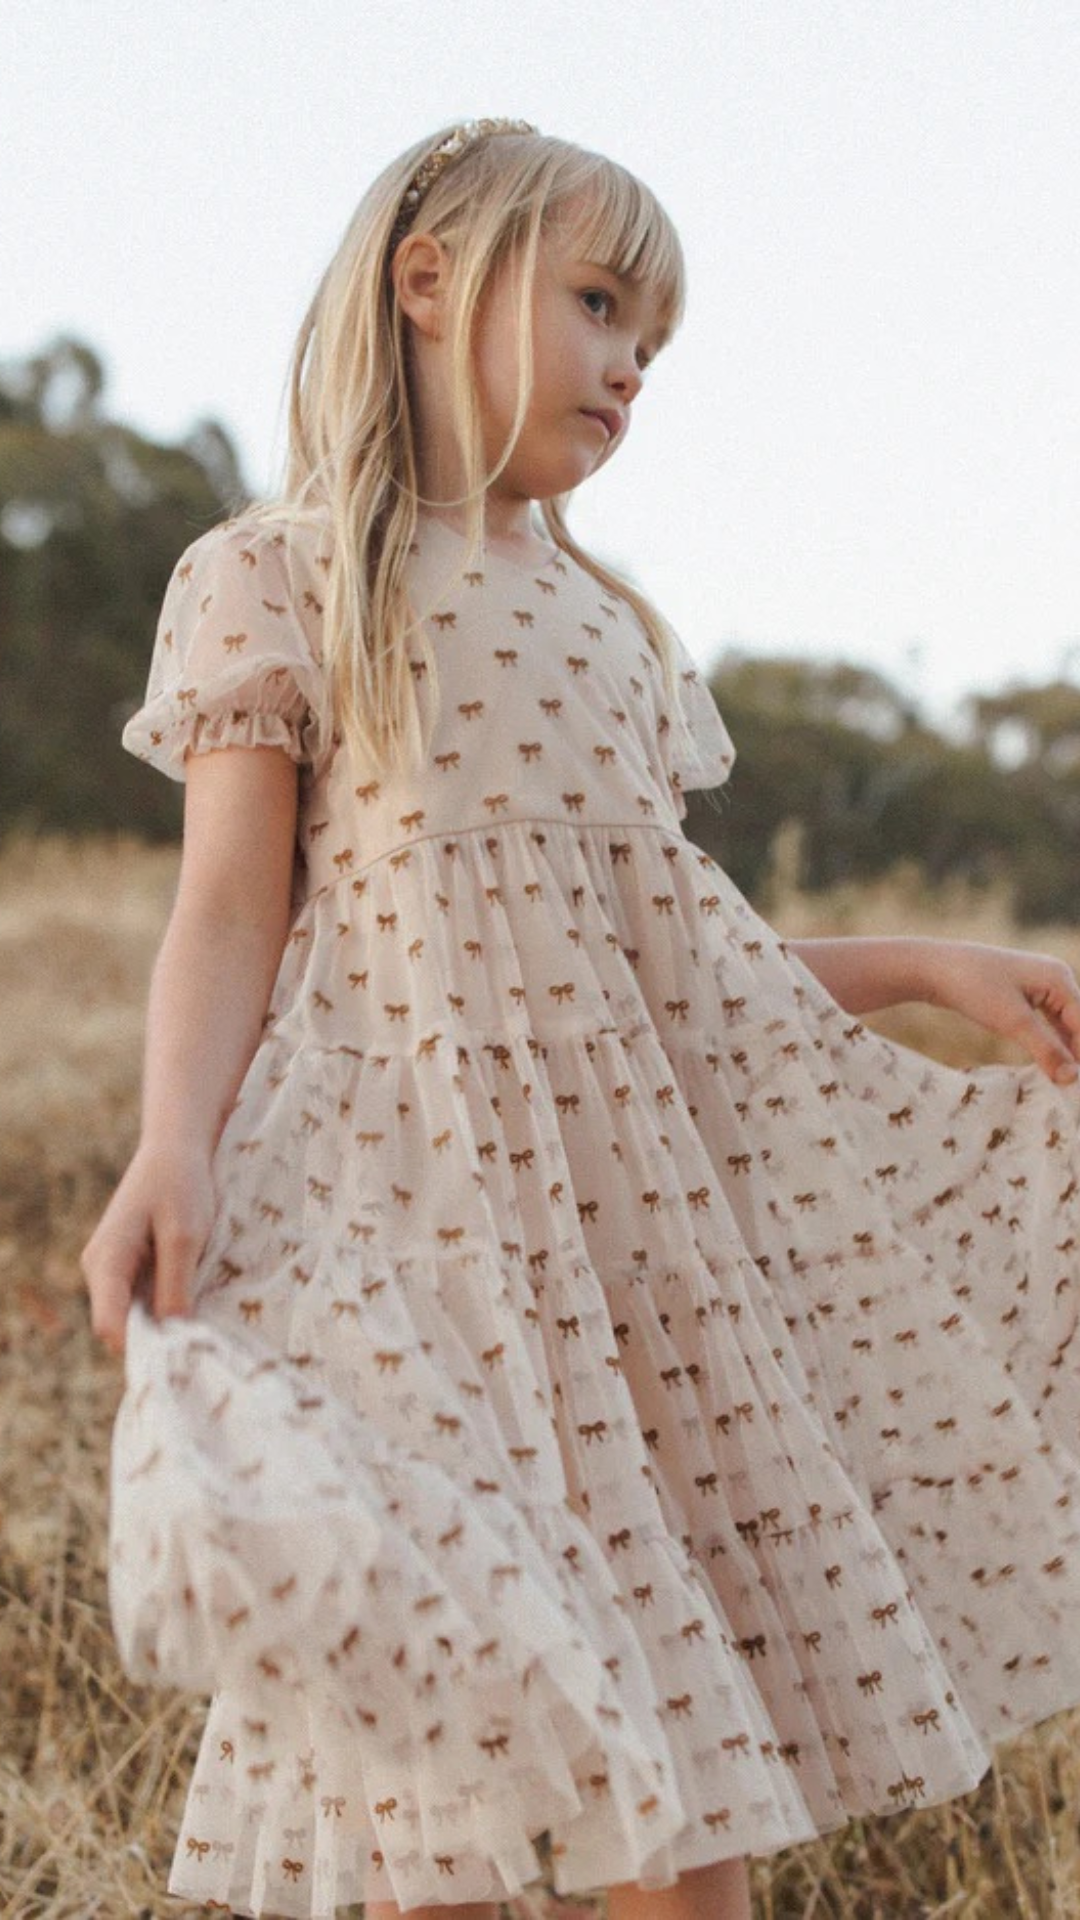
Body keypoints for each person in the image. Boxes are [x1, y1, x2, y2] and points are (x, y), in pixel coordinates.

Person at [81, 118, 1080, 1920]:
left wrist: (930, 963)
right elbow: (228, 909)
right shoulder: (280, 576)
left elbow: (673, 954)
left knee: (690, 1804)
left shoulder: (612, 629)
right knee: (443, 1784)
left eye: (657, 342)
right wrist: (173, 1143)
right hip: (410, 1238)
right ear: (432, 277)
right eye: (603, 303)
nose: (629, 366)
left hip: (634, 1283)